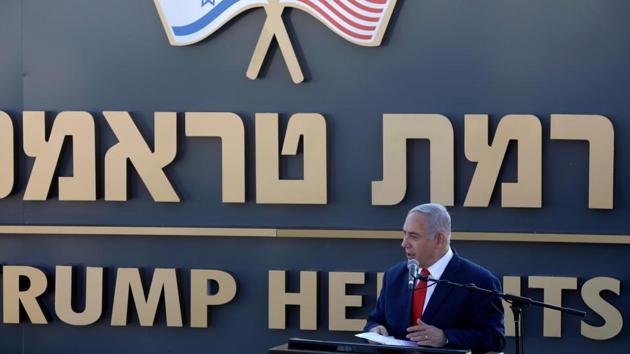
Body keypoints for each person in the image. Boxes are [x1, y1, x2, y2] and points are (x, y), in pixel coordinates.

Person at [364, 203, 506, 354]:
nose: (404, 243)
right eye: (404, 233)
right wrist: (374, 330)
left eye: (413, 236)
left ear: (439, 240)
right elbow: (375, 320)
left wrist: (445, 337)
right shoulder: (394, 276)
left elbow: (495, 338)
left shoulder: (479, 281)